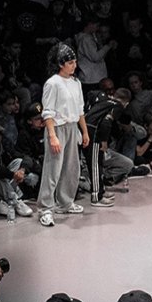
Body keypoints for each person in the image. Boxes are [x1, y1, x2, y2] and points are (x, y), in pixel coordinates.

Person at [38, 43, 90, 227]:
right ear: (61, 64)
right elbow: (48, 112)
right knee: (52, 170)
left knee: (71, 168)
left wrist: (84, 131)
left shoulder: (76, 83)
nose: (74, 65)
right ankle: (45, 208)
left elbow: (80, 110)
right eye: (70, 62)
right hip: (58, 128)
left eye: (75, 61)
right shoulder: (53, 83)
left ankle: (65, 202)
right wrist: (52, 136)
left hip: (72, 127)